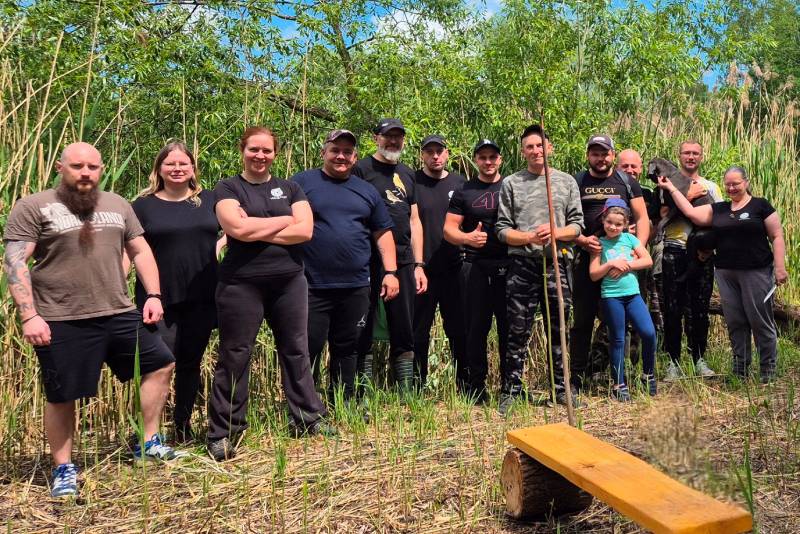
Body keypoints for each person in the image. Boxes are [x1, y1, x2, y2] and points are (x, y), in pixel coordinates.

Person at [3, 142, 182, 498]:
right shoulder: (33, 206)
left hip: (118, 311)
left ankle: (148, 441)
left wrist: (154, 295)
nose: (86, 173)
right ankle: (64, 468)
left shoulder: (117, 204)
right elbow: (16, 261)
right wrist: (30, 315)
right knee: (62, 394)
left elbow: (140, 250)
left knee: (161, 364)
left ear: (101, 169)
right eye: (78, 166)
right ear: (60, 167)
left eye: (93, 167)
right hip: (61, 317)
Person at [207, 127, 332, 462]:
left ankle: (307, 418)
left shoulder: (291, 187)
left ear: (275, 153)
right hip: (240, 284)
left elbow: (304, 231)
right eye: (254, 150)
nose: (260, 156)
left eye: (266, 151)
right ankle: (224, 432)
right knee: (235, 353)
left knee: (296, 350)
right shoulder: (228, 188)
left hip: (289, 281)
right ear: (242, 150)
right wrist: (282, 220)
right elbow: (236, 228)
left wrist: (256, 230)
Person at [292, 129, 398, 402]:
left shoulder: (366, 191)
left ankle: (344, 402)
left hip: (356, 286)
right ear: (323, 152)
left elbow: (382, 232)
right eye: (335, 150)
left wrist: (390, 272)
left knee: (348, 348)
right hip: (311, 284)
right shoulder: (302, 183)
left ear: (355, 157)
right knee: (309, 347)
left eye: (347, 152)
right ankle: (305, 407)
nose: (341, 156)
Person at [657, 167, 788, 383]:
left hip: (756, 271)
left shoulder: (760, 205)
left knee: (759, 320)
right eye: (727, 184)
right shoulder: (719, 209)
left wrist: (780, 267)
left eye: (736, 183)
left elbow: (776, 235)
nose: (731, 187)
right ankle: (740, 368)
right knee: (735, 321)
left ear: (746, 182)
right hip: (726, 272)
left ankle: (768, 368)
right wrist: (671, 187)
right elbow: (691, 213)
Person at [132, 141, 223, 442]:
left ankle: (182, 428)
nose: (177, 168)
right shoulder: (142, 206)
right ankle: (148, 434)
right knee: (160, 364)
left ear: (193, 169)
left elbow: (236, 230)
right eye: (170, 164)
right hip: (158, 300)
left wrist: (219, 246)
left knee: (190, 363)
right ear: (159, 169)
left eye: (183, 163)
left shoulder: (208, 200)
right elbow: (129, 250)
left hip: (202, 296)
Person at [495, 125, 584, 414]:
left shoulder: (566, 182)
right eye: (529, 147)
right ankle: (511, 390)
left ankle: (561, 389)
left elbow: (577, 226)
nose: (535, 151)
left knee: (558, 329)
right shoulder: (511, 183)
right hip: (522, 265)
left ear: (550, 148)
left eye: (540, 145)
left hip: (556, 264)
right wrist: (530, 237)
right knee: (517, 331)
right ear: (523, 151)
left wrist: (557, 232)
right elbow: (502, 230)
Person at [352, 118, 427, 392]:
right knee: (363, 325)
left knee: (403, 327)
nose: (393, 141)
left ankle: (406, 392)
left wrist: (419, 264)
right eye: (388, 136)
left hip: (405, 259)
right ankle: (362, 392)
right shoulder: (360, 169)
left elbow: (415, 219)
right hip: (368, 261)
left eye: (398, 137)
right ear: (376, 138)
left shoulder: (408, 173)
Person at [570, 135, 650, 389]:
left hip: (620, 265)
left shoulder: (626, 182)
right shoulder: (577, 181)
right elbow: (565, 218)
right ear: (587, 156)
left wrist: (637, 250)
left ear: (612, 156)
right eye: (595, 153)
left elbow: (643, 217)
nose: (600, 158)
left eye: (604, 153)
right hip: (588, 260)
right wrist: (582, 240)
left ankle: (621, 377)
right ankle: (577, 376)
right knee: (582, 321)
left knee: (622, 323)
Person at [444, 139, 507, 401]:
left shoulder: (511, 186)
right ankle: (476, 386)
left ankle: (509, 387)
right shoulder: (464, 190)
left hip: (508, 265)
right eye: (483, 157)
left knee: (509, 328)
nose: (488, 162)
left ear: (500, 160)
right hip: (474, 266)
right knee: (476, 327)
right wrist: (467, 238)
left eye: (493, 157)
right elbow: (449, 229)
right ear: (476, 160)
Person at [656, 141, 722, 380]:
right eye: (687, 153)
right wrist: (687, 195)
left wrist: (709, 248)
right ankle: (673, 363)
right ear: (679, 156)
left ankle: (699, 360)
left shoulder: (711, 187)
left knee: (700, 310)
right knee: (673, 309)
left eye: (695, 153)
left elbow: (719, 220)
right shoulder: (665, 184)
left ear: (701, 157)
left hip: (702, 254)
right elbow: (663, 213)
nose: (691, 157)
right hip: (674, 250)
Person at [412, 134, 467, 388]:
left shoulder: (460, 183)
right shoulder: (412, 181)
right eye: (429, 151)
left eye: (439, 151)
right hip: (422, 270)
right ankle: (415, 385)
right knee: (418, 331)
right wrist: (415, 264)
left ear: (447, 154)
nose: (435, 156)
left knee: (458, 328)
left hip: (454, 267)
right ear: (422, 154)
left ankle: (465, 384)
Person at [589, 199, 657, 401]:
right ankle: (619, 384)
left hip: (632, 294)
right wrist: (611, 264)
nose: (613, 227)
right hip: (612, 296)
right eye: (609, 222)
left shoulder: (630, 239)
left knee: (649, 332)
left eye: (618, 224)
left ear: (626, 224)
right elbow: (593, 274)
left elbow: (647, 260)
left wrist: (626, 265)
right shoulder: (598, 244)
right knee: (618, 339)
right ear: (603, 220)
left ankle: (648, 374)